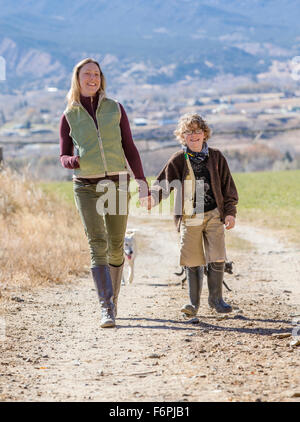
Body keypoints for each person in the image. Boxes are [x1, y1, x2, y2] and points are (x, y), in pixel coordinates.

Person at [59, 58, 150, 328]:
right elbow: (63, 154)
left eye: (96, 74)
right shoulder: (69, 116)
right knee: (97, 244)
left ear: (101, 78)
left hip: (117, 184)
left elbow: (130, 148)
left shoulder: (115, 109)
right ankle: (106, 306)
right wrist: (71, 162)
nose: (92, 78)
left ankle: (113, 300)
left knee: (116, 244)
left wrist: (141, 181)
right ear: (77, 79)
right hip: (86, 186)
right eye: (87, 74)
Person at [147, 113, 238, 316]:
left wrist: (230, 213)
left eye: (197, 131)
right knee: (192, 258)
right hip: (189, 216)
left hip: (214, 213)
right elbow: (163, 182)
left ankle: (216, 300)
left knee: (217, 255)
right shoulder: (179, 159)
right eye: (189, 132)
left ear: (204, 133)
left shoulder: (216, 157)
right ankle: (193, 304)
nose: (194, 135)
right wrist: (152, 198)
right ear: (182, 136)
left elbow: (228, 187)